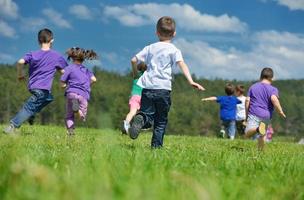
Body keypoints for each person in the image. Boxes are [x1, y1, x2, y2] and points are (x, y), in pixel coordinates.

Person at [128, 16, 205, 148]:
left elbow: (133, 60)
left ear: (156, 32)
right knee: (161, 121)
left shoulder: (150, 48)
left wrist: (136, 74)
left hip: (148, 88)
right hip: (163, 89)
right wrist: (191, 81)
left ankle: (141, 119)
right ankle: (156, 148)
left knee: (146, 114)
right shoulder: (174, 50)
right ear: (174, 34)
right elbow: (182, 65)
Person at [3, 28, 68, 134]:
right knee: (29, 107)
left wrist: (20, 74)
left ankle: (31, 114)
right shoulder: (56, 56)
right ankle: (12, 126)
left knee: (49, 98)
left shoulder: (32, 54)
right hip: (42, 89)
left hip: (34, 87)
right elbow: (65, 72)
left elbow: (20, 62)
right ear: (52, 40)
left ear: (38, 41)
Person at [244, 67, 286, 150]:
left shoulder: (253, 87)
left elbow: (247, 100)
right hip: (266, 116)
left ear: (260, 77)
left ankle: (257, 129)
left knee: (247, 134)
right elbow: (274, 99)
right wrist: (280, 111)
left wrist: (246, 114)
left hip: (254, 113)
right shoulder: (273, 89)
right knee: (262, 134)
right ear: (271, 78)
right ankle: (260, 152)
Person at [60, 47, 97, 135]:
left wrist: (64, 86)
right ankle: (78, 111)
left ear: (72, 57)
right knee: (81, 117)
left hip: (71, 93)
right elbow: (94, 79)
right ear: (83, 59)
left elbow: (62, 83)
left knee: (69, 116)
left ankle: (71, 132)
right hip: (83, 95)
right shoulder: (86, 70)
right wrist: (87, 84)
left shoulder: (69, 68)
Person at [122, 62, 147, 134]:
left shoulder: (136, 75)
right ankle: (141, 126)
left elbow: (133, 66)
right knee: (143, 114)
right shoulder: (147, 77)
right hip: (143, 98)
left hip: (134, 96)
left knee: (132, 112)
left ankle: (126, 124)